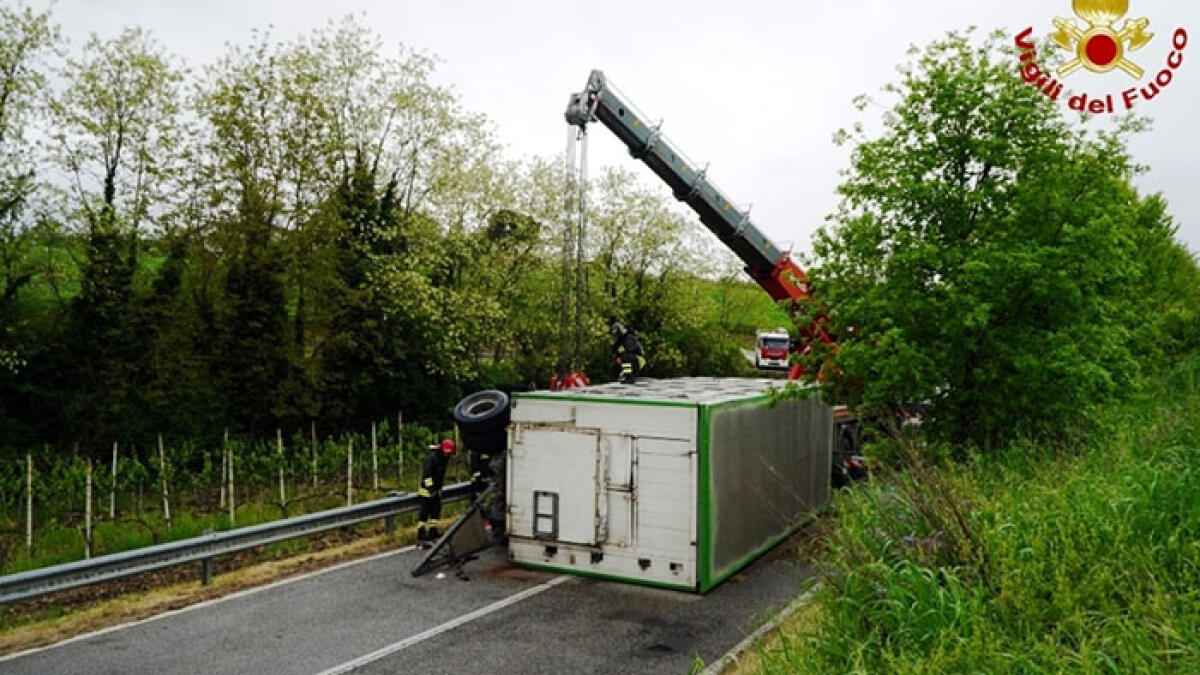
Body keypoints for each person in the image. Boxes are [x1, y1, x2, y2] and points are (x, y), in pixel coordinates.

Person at [417, 438, 455, 548]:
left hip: (436, 491)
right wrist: (432, 489)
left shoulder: (443, 458)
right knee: (424, 514)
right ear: (442, 449)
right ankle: (421, 535)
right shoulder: (432, 458)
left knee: (435, 513)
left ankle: (433, 532)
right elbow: (427, 475)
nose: (448, 454)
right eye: (447, 452)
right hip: (426, 492)